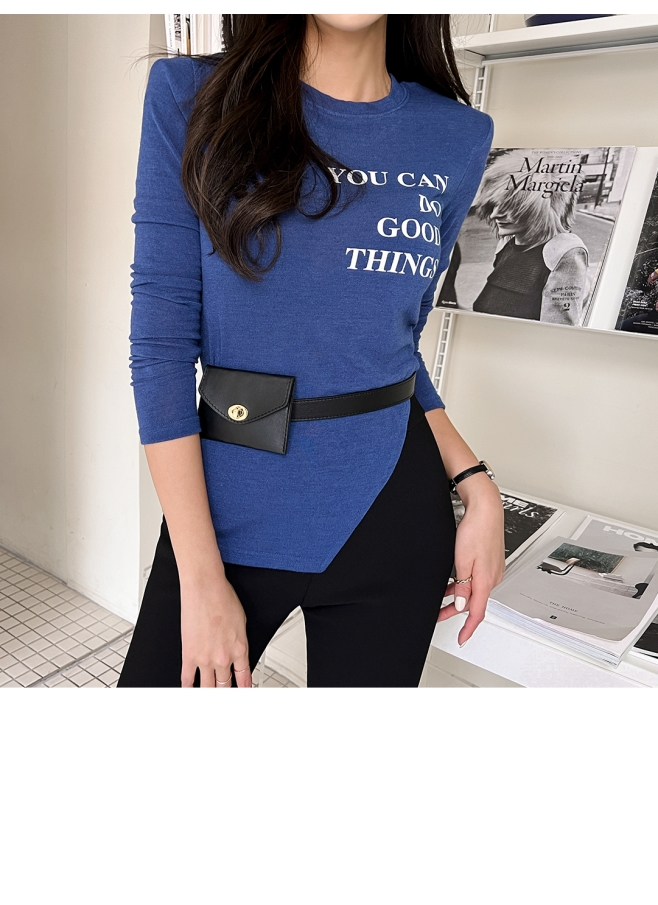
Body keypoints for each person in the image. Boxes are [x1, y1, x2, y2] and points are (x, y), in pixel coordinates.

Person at [117, 14, 505, 689]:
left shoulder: (458, 135)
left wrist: (476, 482)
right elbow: (160, 351)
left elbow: (395, 347)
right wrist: (199, 580)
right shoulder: (191, 96)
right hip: (229, 512)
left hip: (394, 510)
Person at [470, 150, 589, 324]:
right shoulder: (507, 244)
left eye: (510, 206)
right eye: (494, 205)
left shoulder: (562, 253)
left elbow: (558, 328)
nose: (495, 214)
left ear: (540, 210)